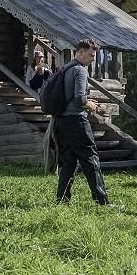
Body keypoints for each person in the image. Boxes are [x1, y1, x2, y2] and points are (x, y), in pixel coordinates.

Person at [52, 38, 111, 206]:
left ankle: (62, 200)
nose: (93, 58)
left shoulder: (65, 69)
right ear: (80, 52)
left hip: (62, 121)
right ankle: (102, 201)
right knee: (91, 158)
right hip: (76, 120)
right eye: (91, 55)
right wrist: (90, 104)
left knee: (69, 161)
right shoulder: (80, 70)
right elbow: (79, 99)